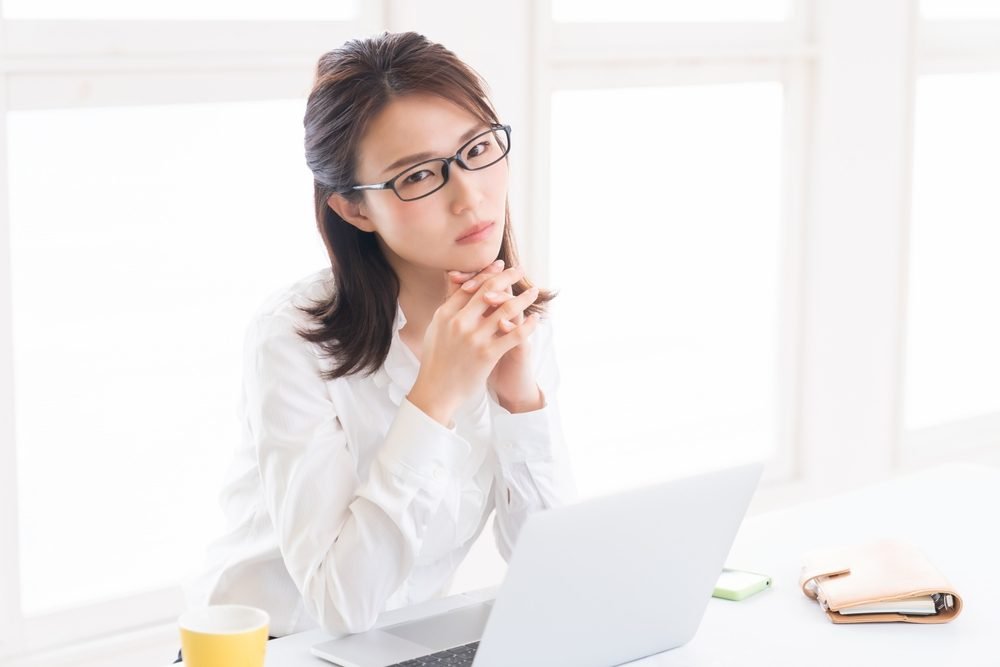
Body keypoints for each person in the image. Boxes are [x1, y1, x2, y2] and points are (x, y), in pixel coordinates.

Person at [182, 30, 576, 649]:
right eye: (418, 176)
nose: (469, 196)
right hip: (268, 653)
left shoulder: (515, 320)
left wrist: (519, 397)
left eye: (476, 150)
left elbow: (554, 566)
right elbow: (341, 602)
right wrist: (437, 394)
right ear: (353, 209)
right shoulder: (290, 339)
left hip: (395, 651)